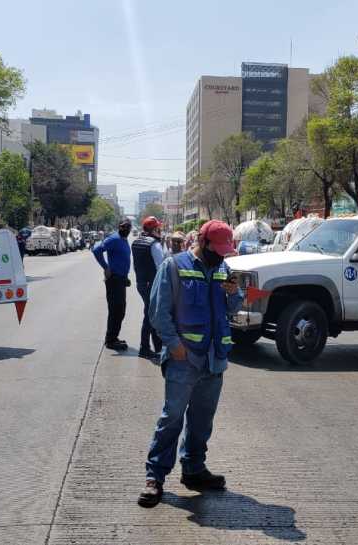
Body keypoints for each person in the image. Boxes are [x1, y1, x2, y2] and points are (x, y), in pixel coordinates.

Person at [137, 220, 243, 508]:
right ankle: (154, 478)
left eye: (225, 251)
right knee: (171, 418)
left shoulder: (223, 269)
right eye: (217, 250)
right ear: (203, 242)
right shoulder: (173, 267)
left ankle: (194, 470)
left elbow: (232, 309)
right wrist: (174, 345)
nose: (222, 256)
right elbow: (158, 312)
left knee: (201, 421)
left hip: (214, 359)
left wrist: (234, 293)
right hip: (184, 359)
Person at [91, 220, 132, 351]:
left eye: (127, 227)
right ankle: (110, 340)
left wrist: (125, 277)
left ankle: (114, 336)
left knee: (120, 311)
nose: (125, 228)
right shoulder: (114, 238)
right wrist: (106, 267)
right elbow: (97, 250)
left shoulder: (123, 239)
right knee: (116, 311)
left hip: (120, 279)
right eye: (122, 226)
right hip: (114, 280)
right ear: (119, 227)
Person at [132, 216, 165, 360]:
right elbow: (161, 266)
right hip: (152, 284)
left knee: (150, 314)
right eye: (158, 227)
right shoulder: (154, 244)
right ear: (154, 229)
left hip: (141, 283)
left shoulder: (136, 242)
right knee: (150, 315)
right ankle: (144, 348)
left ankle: (157, 347)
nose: (160, 230)